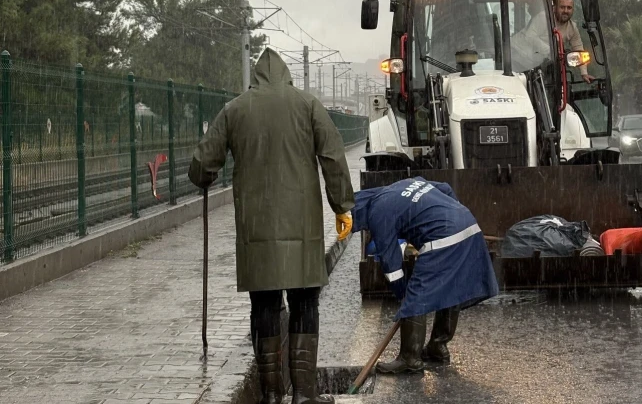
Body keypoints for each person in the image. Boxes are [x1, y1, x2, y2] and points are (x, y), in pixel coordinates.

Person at [188, 47, 354, 404]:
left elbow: (202, 165)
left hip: (256, 230)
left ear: (256, 77)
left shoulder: (234, 110)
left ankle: (272, 396)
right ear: (286, 75)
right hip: (303, 229)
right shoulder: (308, 105)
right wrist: (342, 206)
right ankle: (304, 395)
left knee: (264, 306)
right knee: (305, 304)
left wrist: (205, 176)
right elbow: (333, 157)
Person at [350, 177, 499, 374]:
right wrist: (452, 214)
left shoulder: (377, 213)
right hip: (469, 226)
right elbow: (445, 188)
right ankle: (438, 347)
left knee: (416, 295)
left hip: (443, 237)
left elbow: (390, 261)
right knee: (450, 288)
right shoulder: (403, 184)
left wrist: (403, 293)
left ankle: (410, 358)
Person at [554, 0, 595, 83]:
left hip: (552, 68)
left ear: (573, 10)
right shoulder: (544, 18)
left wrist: (584, 73)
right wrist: (553, 51)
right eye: (562, 7)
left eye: (569, 8)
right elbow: (531, 39)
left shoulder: (572, 27)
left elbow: (579, 48)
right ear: (555, 8)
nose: (565, 11)